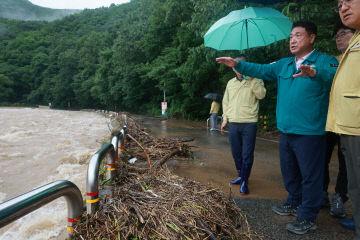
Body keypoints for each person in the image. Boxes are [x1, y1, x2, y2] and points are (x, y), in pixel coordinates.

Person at [216, 21, 338, 235]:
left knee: (311, 176)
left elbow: (333, 78)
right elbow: (261, 69)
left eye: (298, 35)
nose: (292, 40)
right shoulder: (284, 64)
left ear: (312, 37)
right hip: (286, 130)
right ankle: (293, 201)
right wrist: (238, 64)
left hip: (310, 132)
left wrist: (314, 74)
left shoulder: (325, 61)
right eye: (291, 36)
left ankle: (308, 216)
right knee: (289, 171)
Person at [326, 0, 360, 238]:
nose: (343, 8)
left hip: (356, 127)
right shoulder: (353, 45)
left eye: (349, 1)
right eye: (339, 4)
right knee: (355, 183)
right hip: (345, 126)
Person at [221, 55, 266, 196]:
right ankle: (241, 175)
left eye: (241, 65)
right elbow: (225, 102)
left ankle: (245, 181)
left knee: (247, 154)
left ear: (247, 65)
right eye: (235, 65)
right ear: (232, 67)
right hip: (234, 122)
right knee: (236, 153)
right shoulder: (230, 83)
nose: (238, 68)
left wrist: (251, 79)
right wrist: (224, 118)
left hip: (249, 123)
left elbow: (261, 95)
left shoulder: (256, 79)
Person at [322, 23, 355, 218]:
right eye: (337, 35)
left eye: (344, 34)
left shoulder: (356, 59)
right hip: (330, 118)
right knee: (321, 158)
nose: (339, 38)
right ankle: (322, 193)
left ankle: (340, 197)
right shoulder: (331, 61)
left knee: (346, 163)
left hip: (349, 120)